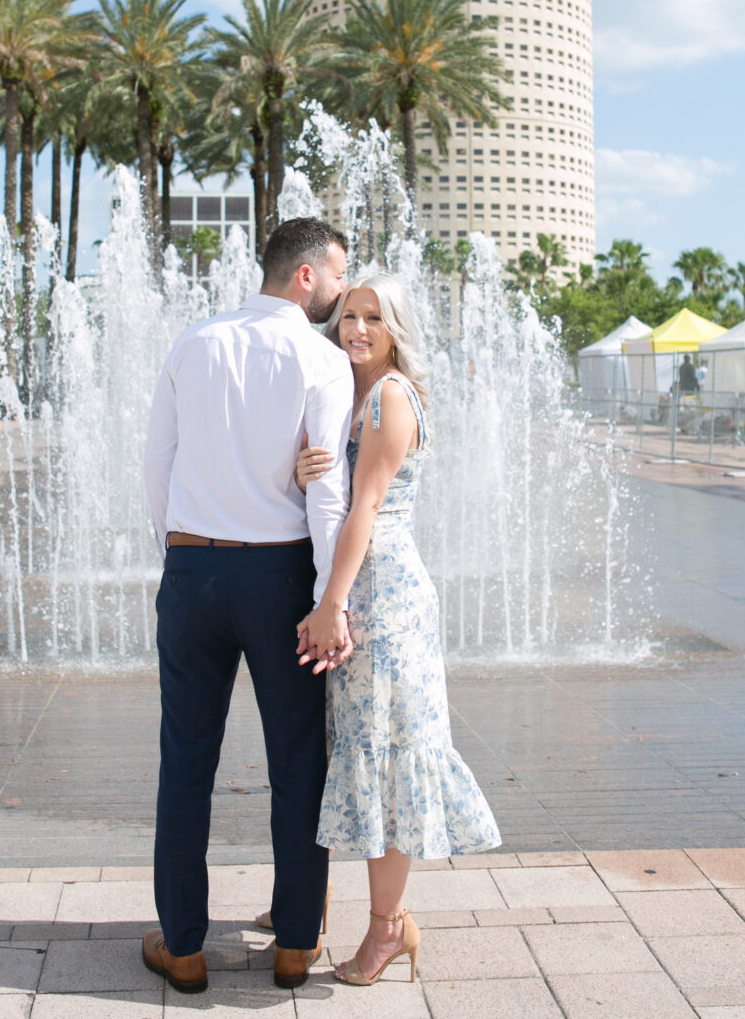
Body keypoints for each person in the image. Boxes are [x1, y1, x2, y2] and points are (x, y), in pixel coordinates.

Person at [142, 217, 355, 995]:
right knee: (299, 761)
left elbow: (156, 461)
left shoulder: (194, 342)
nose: (342, 287)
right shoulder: (321, 360)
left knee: (185, 762)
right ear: (306, 276)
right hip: (281, 577)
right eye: (339, 272)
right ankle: (295, 943)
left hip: (193, 571)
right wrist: (332, 596)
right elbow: (325, 489)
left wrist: (177, 550)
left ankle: (186, 945)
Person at [295, 272, 501, 986]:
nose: (356, 330)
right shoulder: (355, 396)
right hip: (365, 591)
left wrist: (332, 606)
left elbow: (368, 510)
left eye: (373, 319)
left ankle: (387, 929)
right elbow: (339, 497)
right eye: (348, 316)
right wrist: (305, 473)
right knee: (366, 753)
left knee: (388, 760)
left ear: (396, 330)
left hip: (383, 598)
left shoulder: (387, 396)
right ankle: (354, 915)